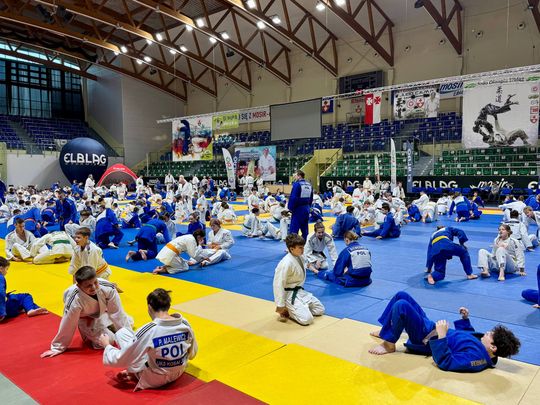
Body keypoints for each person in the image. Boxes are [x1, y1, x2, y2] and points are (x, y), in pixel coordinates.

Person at [368, 291, 521, 372]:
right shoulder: (481, 345)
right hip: (431, 328)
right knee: (402, 295)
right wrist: (465, 319)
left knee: (401, 305)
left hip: (425, 339)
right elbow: (466, 337)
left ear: (493, 347)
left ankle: (389, 344)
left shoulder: (477, 359)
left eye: (490, 335)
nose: (487, 332)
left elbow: (446, 362)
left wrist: (441, 336)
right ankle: (385, 331)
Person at [99, 288, 197, 390]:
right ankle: (137, 373)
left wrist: (107, 346)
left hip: (155, 379)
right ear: (168, 306)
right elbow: (192, 354)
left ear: (149, 307)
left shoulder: (150, 330)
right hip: (179, 372)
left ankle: (137, 374)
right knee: (144, 343)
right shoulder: (184, 323)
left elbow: (121, 359)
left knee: (121, 333)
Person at [41, 266, 133, 358]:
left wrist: (129, 339)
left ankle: (108, 327)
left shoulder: (108, 287)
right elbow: (69, 323)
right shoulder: (74, 298)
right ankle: (89, 334)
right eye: (88, 286)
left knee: (129, 322)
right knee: (109, 340)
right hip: (85, 319)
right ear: (78, 286)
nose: (93, 287)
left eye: (95, 282)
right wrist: (57, 347)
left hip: (102, 313)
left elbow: (117, 312)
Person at [273, 234, 324, 326]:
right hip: (289, 295)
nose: (303, 250)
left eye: (303, 247)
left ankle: (299, 308)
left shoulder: (300, 256)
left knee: (320, 310)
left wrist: (315, 269)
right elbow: (278, 284)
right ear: (291, 249)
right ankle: (289, 307)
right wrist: (280, 305)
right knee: (307, 320)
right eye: (300, 248)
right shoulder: (285, 263)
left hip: (299, 292)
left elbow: (307, 264)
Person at [0, 256, 48, 322]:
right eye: (6, 269)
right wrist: (2, 313)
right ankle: (30, 310)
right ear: (1, 268)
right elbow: (1, 293)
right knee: (25, 296)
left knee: (16, 298)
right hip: (4, 311)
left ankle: (28, 308)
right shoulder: (0, 277)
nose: (6, 272)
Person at [287, 170, 313, 239]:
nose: (294, 177)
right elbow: (311, 198)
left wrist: (290, 208)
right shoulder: (309, 185)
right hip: (306, 208)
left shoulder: (297, 184)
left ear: (299, 176)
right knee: (305, 229)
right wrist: (309, 207)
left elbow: (293, 198)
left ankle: (293, 243)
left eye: (295, 175)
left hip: (298, 209)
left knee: (294, 229)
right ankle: (305, 242)